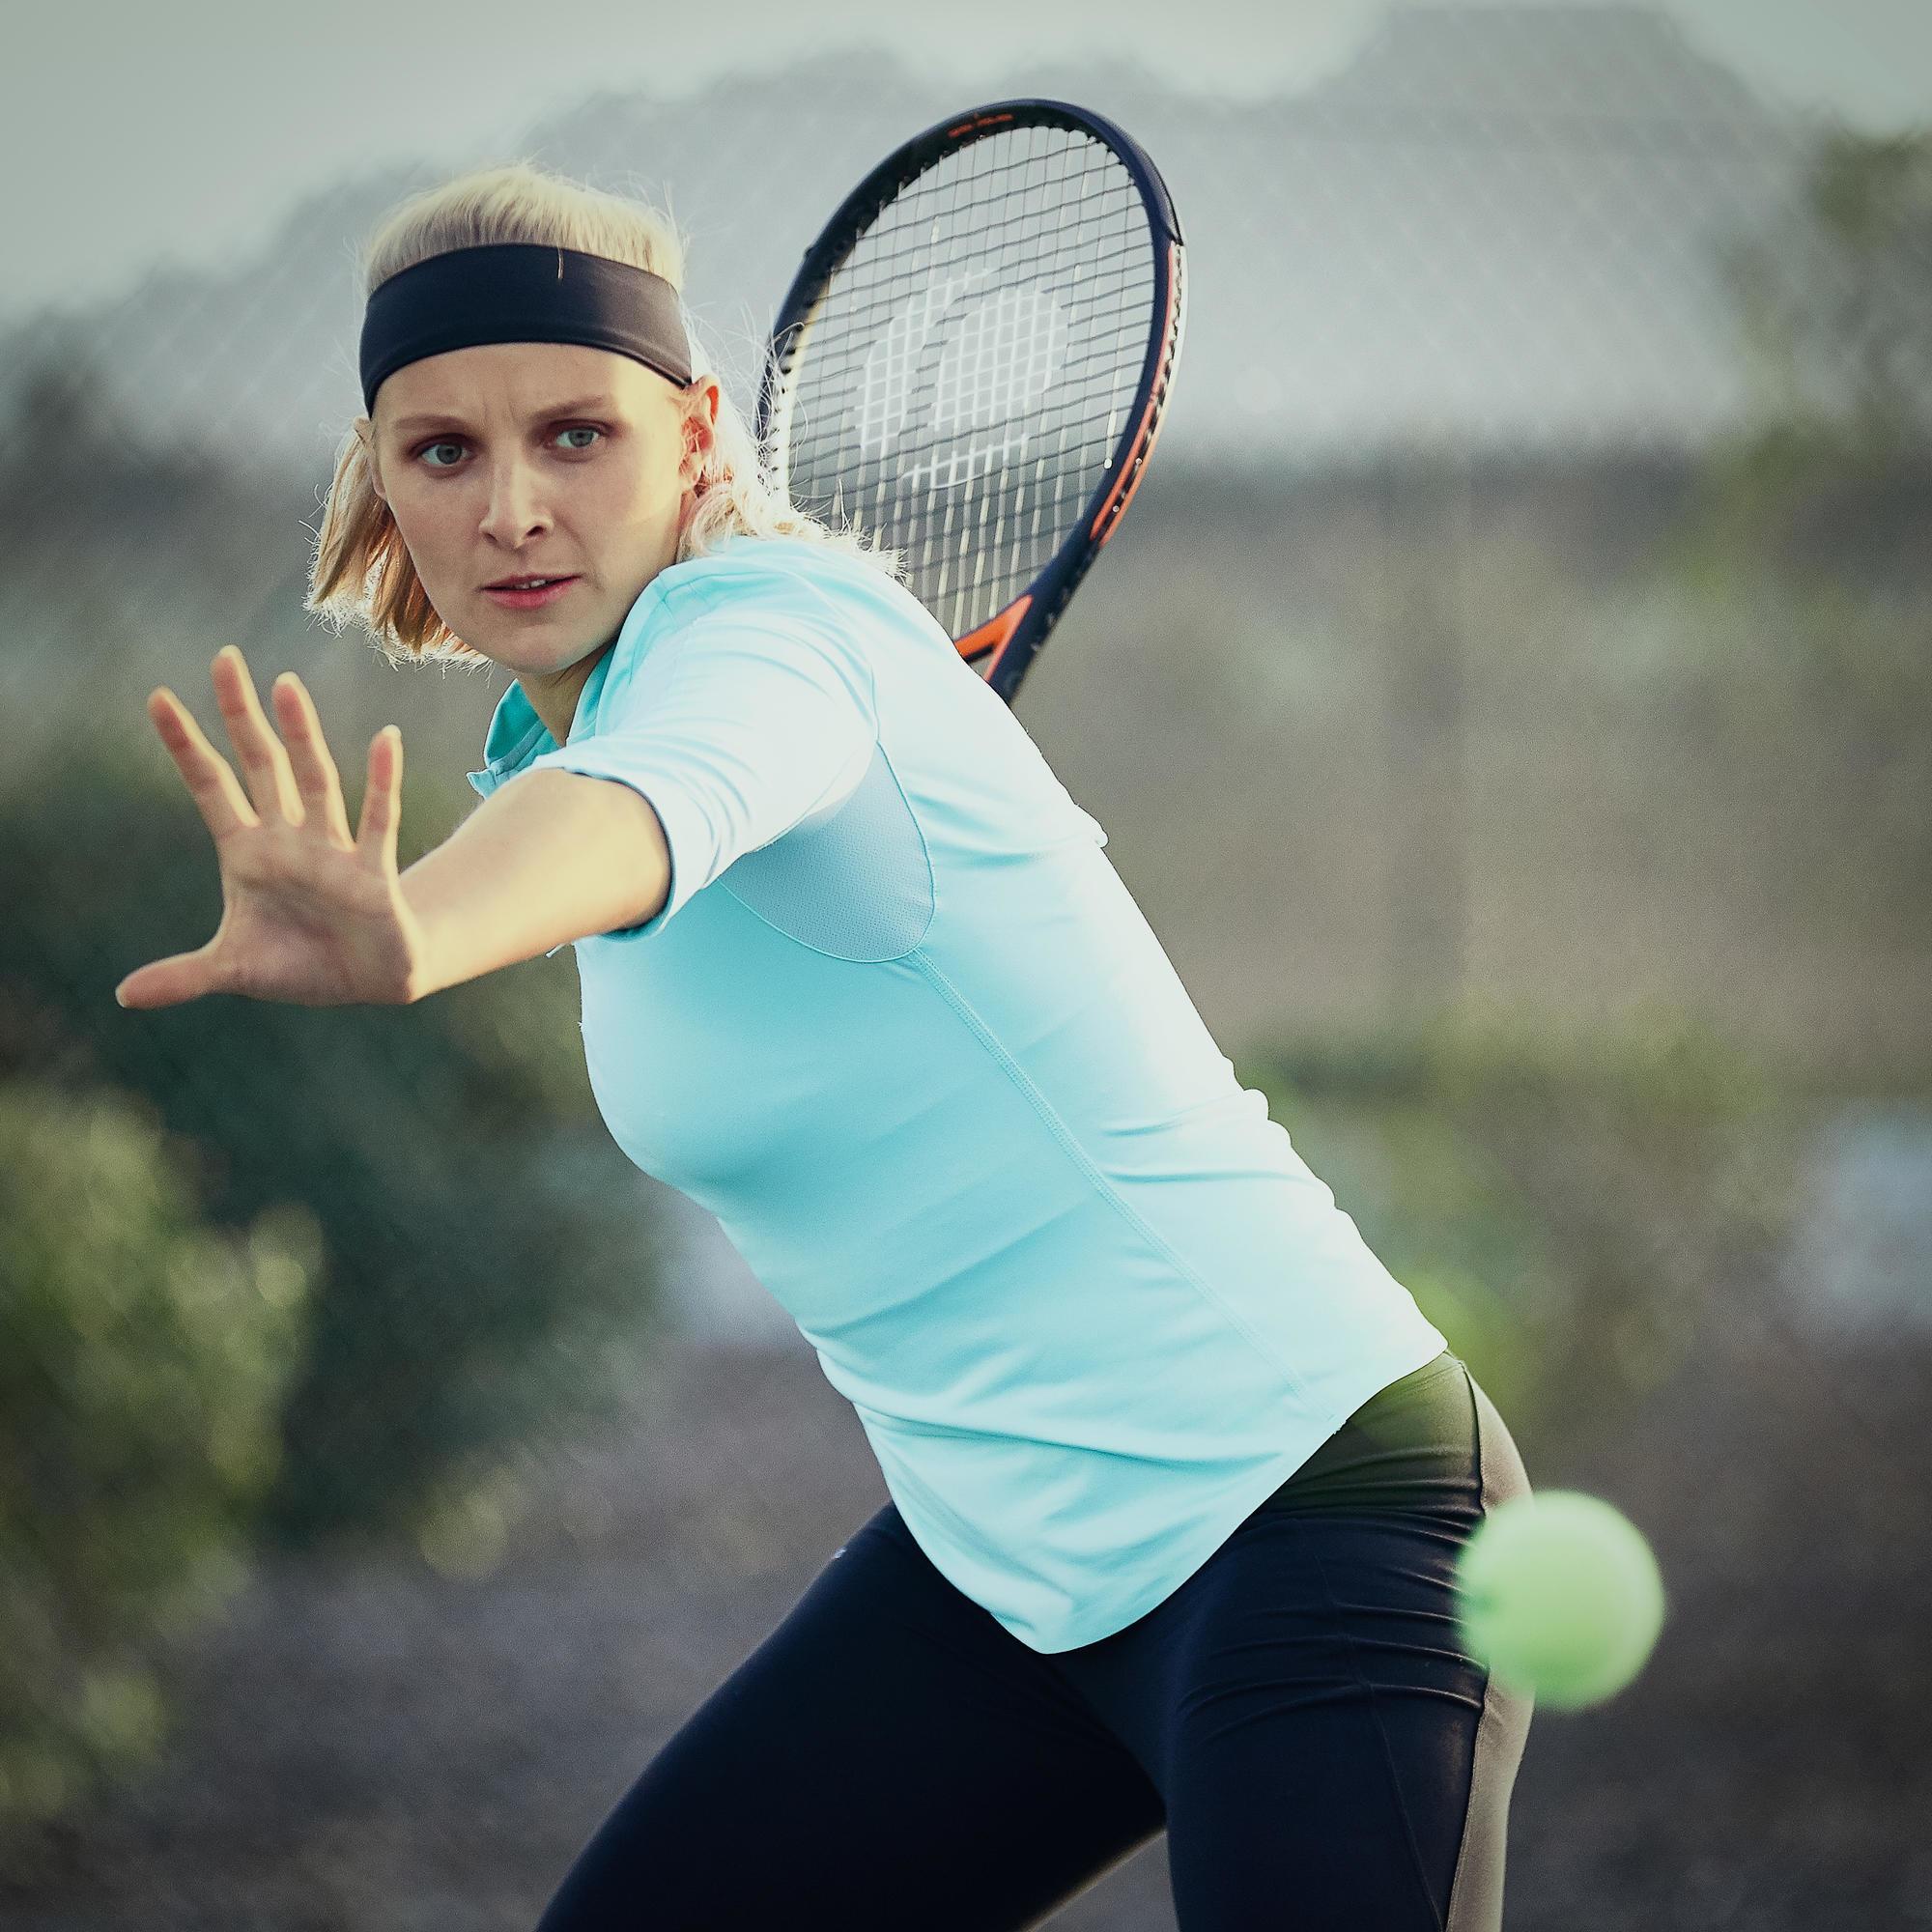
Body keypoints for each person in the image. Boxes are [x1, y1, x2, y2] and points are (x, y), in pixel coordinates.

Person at [116, 158, 1536, 1930]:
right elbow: (599, 793)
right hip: (1008, 1576)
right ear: (384, 487)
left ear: (697, 434)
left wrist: (420, 931)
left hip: (1308, 1510)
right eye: (444, 454)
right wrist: (453, 894)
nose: (512, 511)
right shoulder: (554, 738)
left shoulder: (776, 641)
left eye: (575, 435)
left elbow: (647, 800)